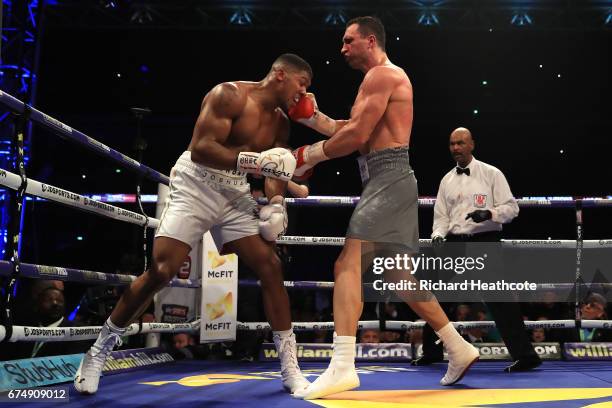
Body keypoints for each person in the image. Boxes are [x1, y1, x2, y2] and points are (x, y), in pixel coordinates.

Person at [75, 54, 312, 395]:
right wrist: (254, 161)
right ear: (280, 74)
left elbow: (274, 170)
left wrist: (276, 202)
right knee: (161, 270)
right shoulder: (228, 95)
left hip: (234, 193)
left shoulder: (281, 125)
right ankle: (98, 352)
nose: (302, 94)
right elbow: (202, 148)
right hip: (195, 184)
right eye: (301, 85)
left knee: (271, 266)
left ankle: (290, 368)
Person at [288, 17, 478, 399]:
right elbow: (355, 129)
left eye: (348, 41)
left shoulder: (382, 75)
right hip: (388, 177)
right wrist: (313, 118)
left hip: (388, 178)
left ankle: (342, 365)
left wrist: (304, 156)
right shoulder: (379, 80)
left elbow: (357, 136)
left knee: (346, 264)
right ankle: (458, 346)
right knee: (398, 276)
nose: (342, 48)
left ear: (369, 40)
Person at [416, 126, 541, 373]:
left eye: (461, 143)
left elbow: (512, 208)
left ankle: (526, 356)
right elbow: (441, 216)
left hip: (484, 242)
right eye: (452, 144)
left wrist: (490, 213)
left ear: (472, 144)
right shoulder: (447, 180)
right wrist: (438, 235)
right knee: (436, 298)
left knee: (500, 301)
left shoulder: (491, 174)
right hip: (454, 245)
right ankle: (431, 352)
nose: (456, 148)